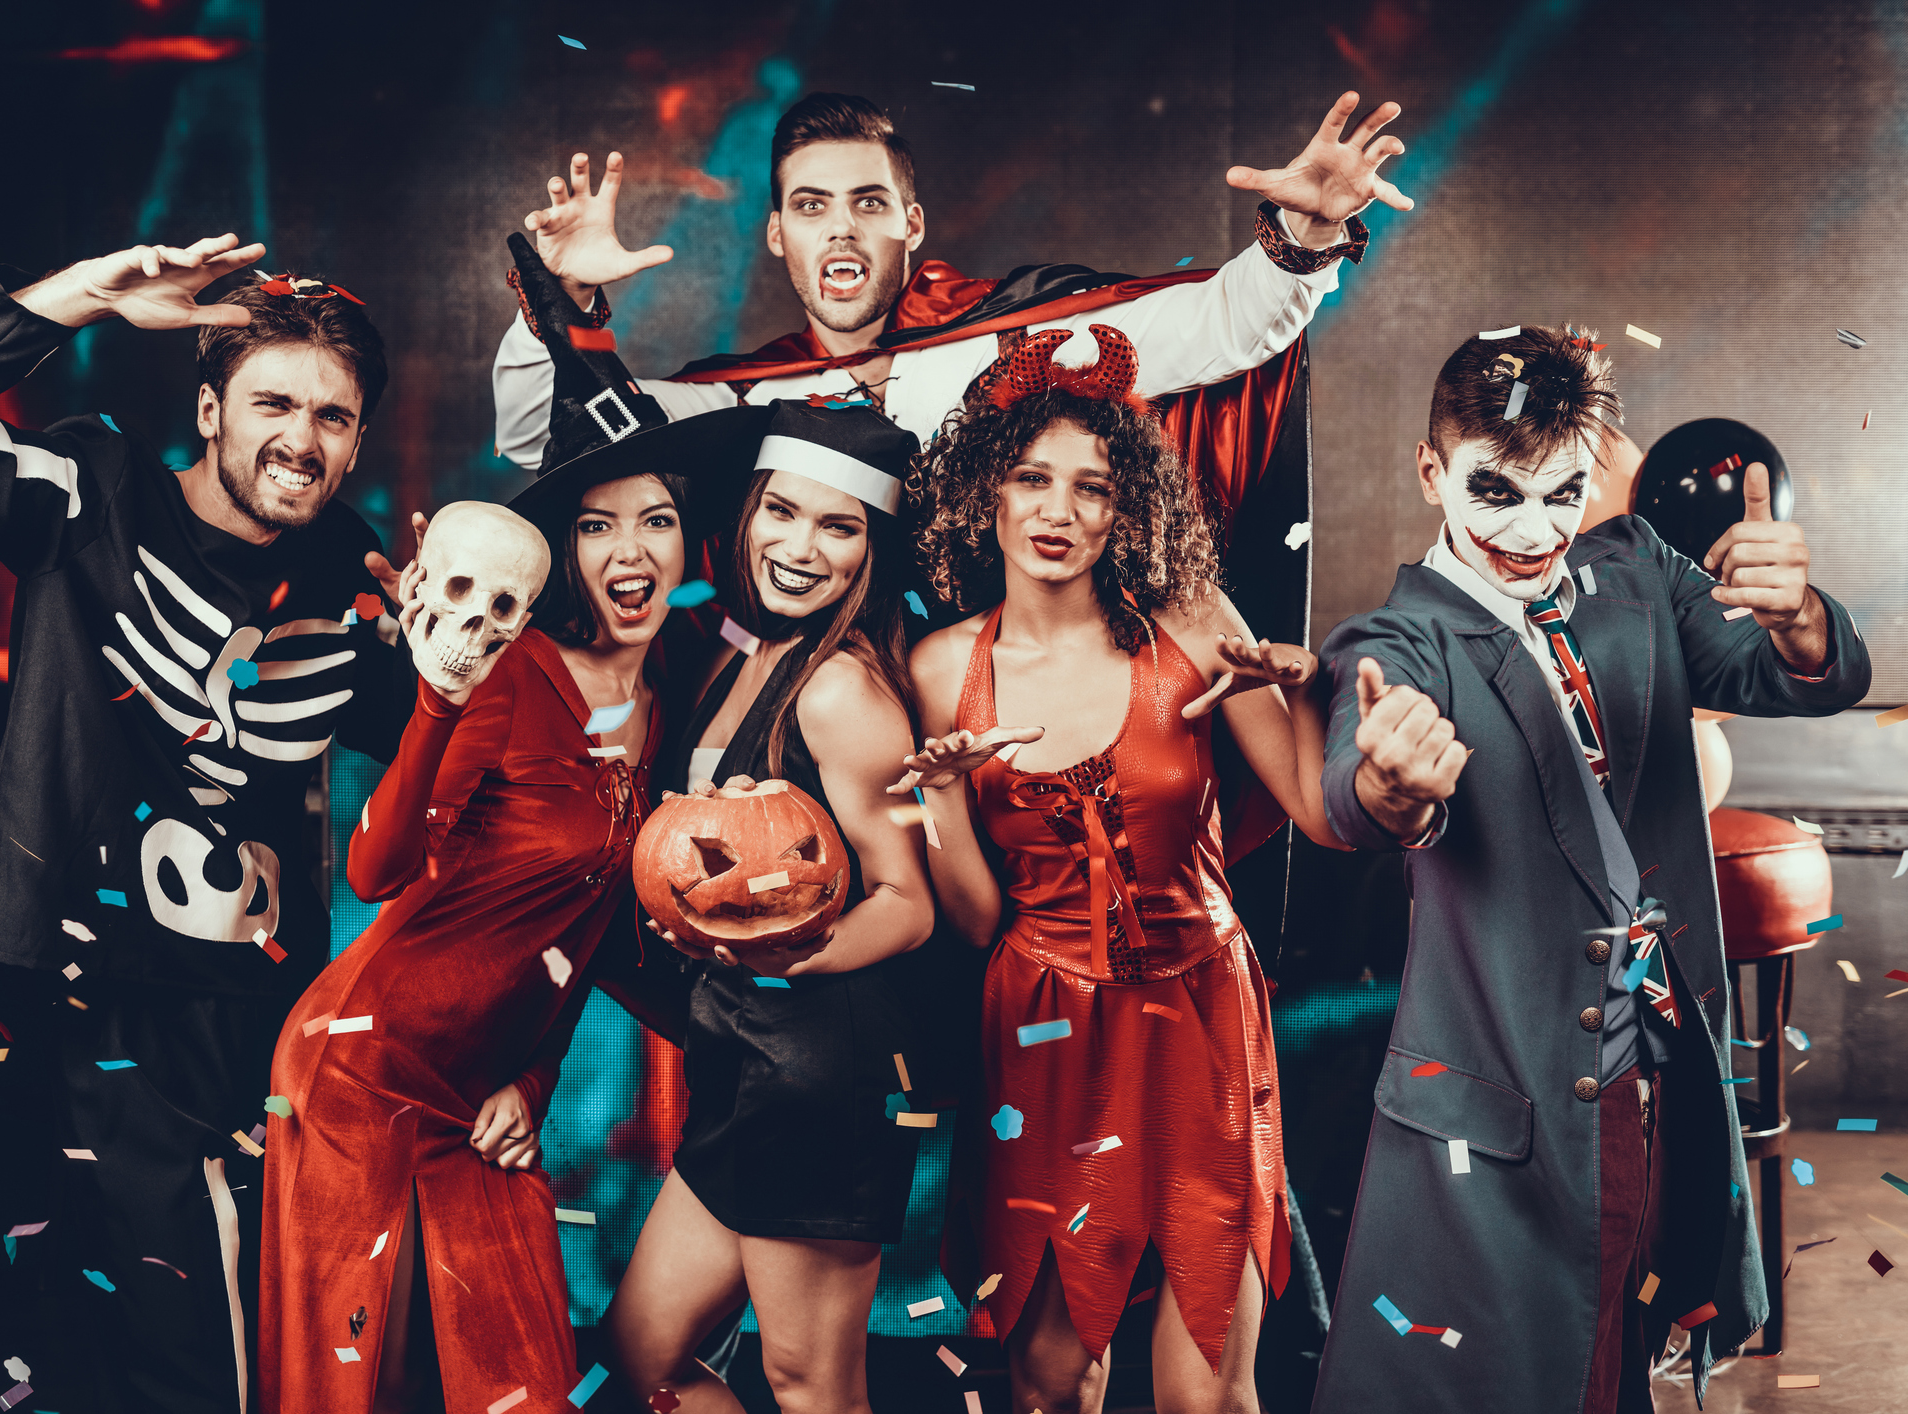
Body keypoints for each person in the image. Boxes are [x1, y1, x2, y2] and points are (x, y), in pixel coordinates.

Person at [0, 235, 417, 1412]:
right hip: (58, 991)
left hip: (249, 1008)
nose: (301, 439)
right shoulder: (93, 492)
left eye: (333, 417)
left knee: (224, 1336)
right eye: (272, 402)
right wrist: (78, 302)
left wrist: (443, 655)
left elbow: (435, 771)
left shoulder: (354, 581)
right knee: (40, 1330)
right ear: (209, 408)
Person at [1307, 327, 1871, 1413]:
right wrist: (1388, 782)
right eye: (1494, 490)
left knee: (1622, 1347)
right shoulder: (1396, 637)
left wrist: (1797, 618)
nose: (1531, 530)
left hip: (1670, 1061)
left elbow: (1799, 679)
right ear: (1430, 470)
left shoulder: (1637, 571)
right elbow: (1357, 791)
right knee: (1522, 1372)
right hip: (1517, 1093)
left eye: (1561, 491)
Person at [258, 407, 756, 1413]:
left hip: (483, 1092)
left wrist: (531, 1077)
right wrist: (437, 699)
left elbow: (581, 933)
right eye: (595, 525)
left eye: (654, 521)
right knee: (370, 1390)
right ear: (564, 556)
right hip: (365, 1073)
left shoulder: (663, 703)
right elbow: (374, 868)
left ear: (686, 543)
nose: (629, 550)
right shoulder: (511, 672)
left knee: (518, 1384)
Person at [889, 326, 1342, 1414]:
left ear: (1124, 509)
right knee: (1049, 1377)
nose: (1058, 511)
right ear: (984, 493)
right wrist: (942, 790)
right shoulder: (941, 665)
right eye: (1033, 479)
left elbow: (1322, 817)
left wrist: (1310, 687)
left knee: (1211, 1384)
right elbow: (972, 916)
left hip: (1201, 1018)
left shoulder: (1189, 626)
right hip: (1042, 1031)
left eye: (1091, 488)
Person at [495, 89, 1410, 462]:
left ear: (911, 225)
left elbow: (1221, 323)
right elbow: (546, 442)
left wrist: (1306, 226)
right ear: (778, 236)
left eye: (867, 202)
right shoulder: (739, 402)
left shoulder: (1019, 338)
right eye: (810, 207)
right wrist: (556, 302)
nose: (840, 228)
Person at [600, 399, 935, 1414]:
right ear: (745, 515)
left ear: (870, 549)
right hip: (742, 1066)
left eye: (838, 527)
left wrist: (787, 954)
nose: (799, 546)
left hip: (820, 1079)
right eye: (781, 512)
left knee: (811, 1387)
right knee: (644, 1358)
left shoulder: (840, 692)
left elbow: (908, 903)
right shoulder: (743, 655)